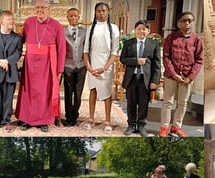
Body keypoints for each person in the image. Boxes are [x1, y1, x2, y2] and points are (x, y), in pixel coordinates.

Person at [17, 0, 66, 132]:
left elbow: (62, 49)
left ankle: (43, 121)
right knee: (29, 91)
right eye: (37, 7)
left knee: (44, 92)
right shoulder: (28, 22)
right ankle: (27, 119)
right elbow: (21, 39)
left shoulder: (57, 26)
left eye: (43, 8)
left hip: (47, 64)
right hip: (30, 62)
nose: (40, 10)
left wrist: (59, 69)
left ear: (48, 9)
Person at [161, 12, 202, 137]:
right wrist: (173, 74)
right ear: (179, 22)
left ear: (193, 22)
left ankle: (176, 127)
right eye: (184, 21)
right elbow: (166, 57)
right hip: (171, 76)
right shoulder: (171, 38)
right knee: (168, 102)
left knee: (183, 103)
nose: (187, 24)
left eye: (190, 21)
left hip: (187, 77)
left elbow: (199, 60)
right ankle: (164, 127)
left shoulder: (196, 40)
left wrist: (190, 77)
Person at [83, 2, 120, 131]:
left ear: (108, 12)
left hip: (106, 65)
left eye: (104, 10)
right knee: (92, 91)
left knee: (107, 93)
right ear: (95, 12)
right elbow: (86, 50)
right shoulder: (90, 28)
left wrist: (104, 68)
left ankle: (107, 120)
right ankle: (91, 119)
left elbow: (115, 52)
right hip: (93, 64)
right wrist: (89, 67)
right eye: (99, 11)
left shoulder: (114, 28)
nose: (101, 13)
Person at [120, 20, 160, 136]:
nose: (141, 31)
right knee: (131, 102)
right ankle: (131, 125)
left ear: (148, 31)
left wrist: (155, 81)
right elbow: (123, 59)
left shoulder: (153, 44)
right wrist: (136, 61)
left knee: (143, 103)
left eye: (144, 29)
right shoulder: (128, 43)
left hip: (145, 79)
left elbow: (157, 64)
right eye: (139, 29)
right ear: (135, 30)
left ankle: (141, 125)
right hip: (131, 78)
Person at [62, 8, 86, 127]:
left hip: (81, 66)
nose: (73, 18)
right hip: (68, 66)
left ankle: (75, 116)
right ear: (67, 17)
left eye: (75, 16)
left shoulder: (84, 32)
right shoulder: (62, 32)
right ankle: (68, 117)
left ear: (78, 17)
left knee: (78, 93)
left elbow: (87, 49)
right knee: (68, 92)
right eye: (70, 16)